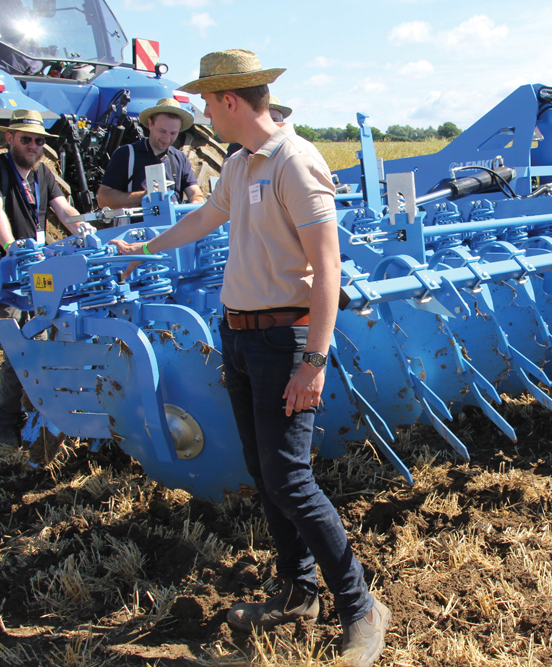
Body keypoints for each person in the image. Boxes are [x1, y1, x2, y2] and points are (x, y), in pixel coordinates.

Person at [110, 49, 389, 667]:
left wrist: (314, 362)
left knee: (292, 478)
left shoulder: (296, 161)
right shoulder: (240, 165)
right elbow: (206, 218)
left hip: (283, 343)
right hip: (238, 338)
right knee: (267, 476)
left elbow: (329, 267)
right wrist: (145, 248)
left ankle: (360, 606)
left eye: (208, 101)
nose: (202, 112)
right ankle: (298, 592)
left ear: (231, 101)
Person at [0, 109, 95, 449]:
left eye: (39, 140)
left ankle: (42, 405)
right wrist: (12, 247)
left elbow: (64, 210)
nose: (33, 145)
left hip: (40, 274)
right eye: (25, 139)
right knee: (19, 351)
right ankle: (4, 422)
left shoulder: (44, 173)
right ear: (9, 138)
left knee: (53, 340)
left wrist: (87, 233)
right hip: (8, 273)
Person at [97, 98, 205, 209]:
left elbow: (195, 192)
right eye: (162, 131)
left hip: (174, 225)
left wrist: (196, 202)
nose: (167, 138)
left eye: (173, 133)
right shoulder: (125, 155)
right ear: (150, 124)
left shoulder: (180, 158)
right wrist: (145, 197)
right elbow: (103, 199)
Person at [225, 94, 292, 159]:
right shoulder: (242, 142)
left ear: (282, 120)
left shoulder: (289, 147)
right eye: (266, 119)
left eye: (274, 120)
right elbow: (227, 164)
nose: (270, 123)